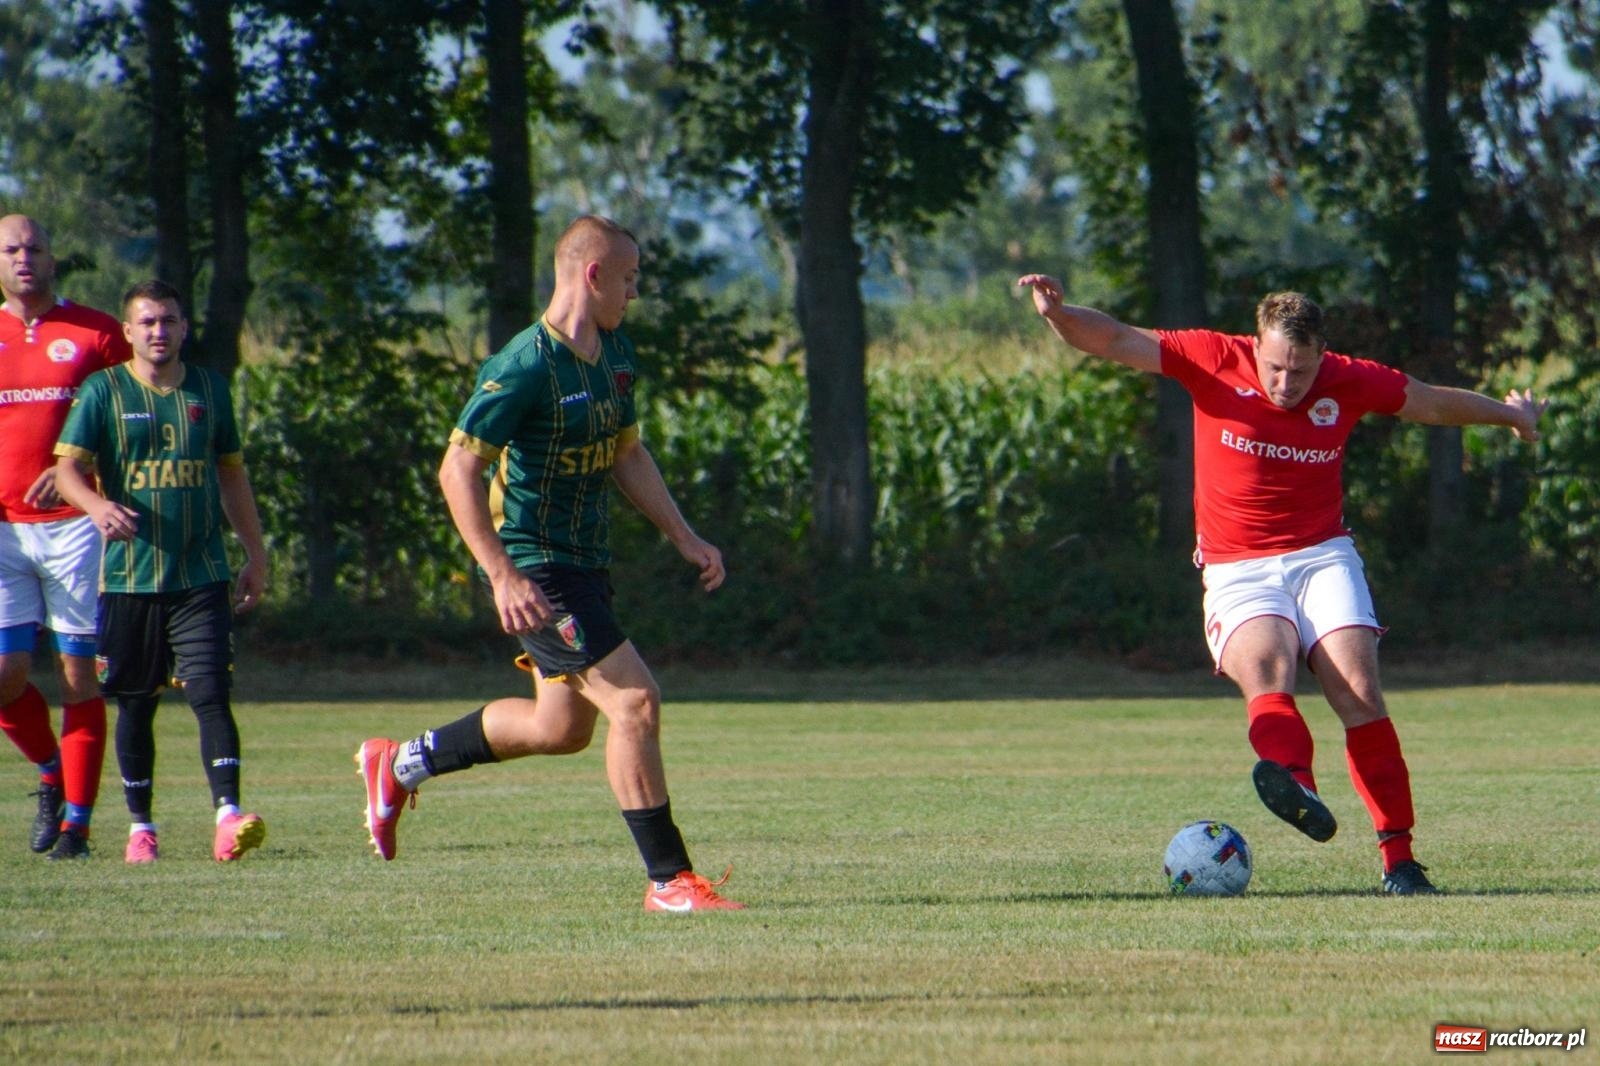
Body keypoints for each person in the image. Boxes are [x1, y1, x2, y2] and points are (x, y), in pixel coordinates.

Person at [1017, 275, 1546, 895]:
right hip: (1237, 566)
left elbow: (1430, 403)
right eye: (1273, 368)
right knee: (1267, 668)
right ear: (1256, 345)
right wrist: (1057, 314)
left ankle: (1400, 863)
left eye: (1299, 371)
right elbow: (1112, 338)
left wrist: (1510, 416)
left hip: (1322, 555)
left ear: (1322, 354)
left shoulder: (1349, 378)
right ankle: (1298, 786)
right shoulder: (1212, 356)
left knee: (1358, 691)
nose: (1284, 384)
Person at [356, 215, 744, 912]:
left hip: (586, 564)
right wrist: (504, 575)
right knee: (635, 702)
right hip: (539, 569)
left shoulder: (615, 354)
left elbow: (627, 453)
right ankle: (669, 881)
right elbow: (456, 471)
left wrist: (684, 535)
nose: (633, 293)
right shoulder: (524, 364)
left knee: (558, 728)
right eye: (627, 280)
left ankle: (400, 762)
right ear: (592, 274)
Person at [53, 279, 270, 864]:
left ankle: (227, 817)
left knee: (210, 692)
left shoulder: (208, 389)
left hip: (200, 573)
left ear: (184, 328)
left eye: (168, 321)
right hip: (127, 579)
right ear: (127, 332)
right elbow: (67, 471)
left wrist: (255, 554)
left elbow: (231, 475)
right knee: (136, 702)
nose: (158, 331)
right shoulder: (103, 391)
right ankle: (140, 829)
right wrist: (98, 506)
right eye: (146, 322)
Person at [0, 214, 132, 860]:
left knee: (79, 676)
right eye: (11, 249)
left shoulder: (98, 333)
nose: (25, 258)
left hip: (76, 529)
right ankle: (51, 771)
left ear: (54, 258)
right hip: (3, 532)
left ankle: (76, 829)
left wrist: (78, 475)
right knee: (3, 674)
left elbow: (132, 422)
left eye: (35, 247)